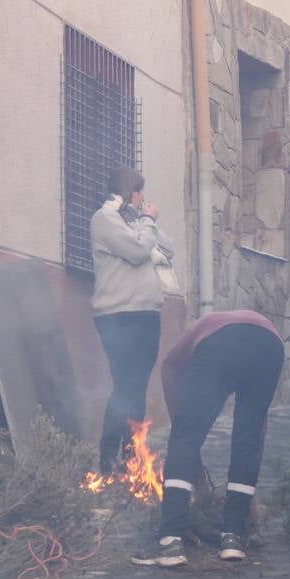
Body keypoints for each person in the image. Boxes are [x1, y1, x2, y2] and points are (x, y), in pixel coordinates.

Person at [133, 310, 284, 568]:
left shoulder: (197, 335)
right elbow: (255, 429)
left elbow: (168, 369)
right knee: (247, 440)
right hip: (270, 346)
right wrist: (254, 441)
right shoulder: (253, 327)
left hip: (219, 346)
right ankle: (233, 538)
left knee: (184, 438)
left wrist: (183, 428)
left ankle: (171, 541)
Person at [90, 166, 177, 476]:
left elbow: (167, 248)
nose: (144, 199)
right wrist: (147, 221)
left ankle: (131, 456)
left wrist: (144, 222)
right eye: (141, 192)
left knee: (137, 387)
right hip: (118, 315)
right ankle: (108, 454)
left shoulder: (134, 221)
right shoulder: (105, 219)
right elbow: (139, 251)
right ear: (132, 192)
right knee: (125, 386)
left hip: (146, 314)